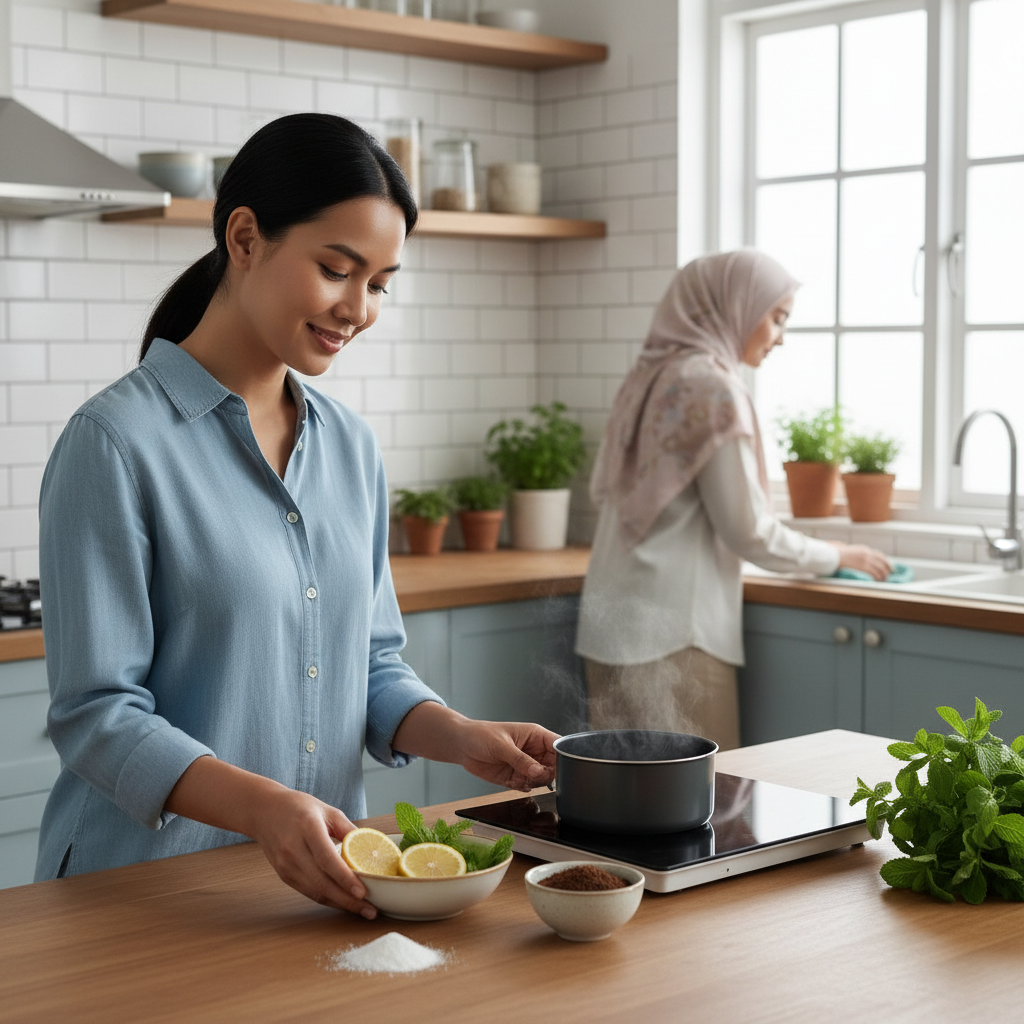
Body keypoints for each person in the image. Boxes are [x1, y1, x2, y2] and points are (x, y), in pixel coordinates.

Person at [35, 113, 556, 919]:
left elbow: (370, 663)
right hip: (140, 895)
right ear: (245, 238)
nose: (359, 308)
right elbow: (97, 717)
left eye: (379, 283)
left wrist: (459, 734)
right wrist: (264, 808)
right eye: (337, 269)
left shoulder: (350, 446)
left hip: (311, 896)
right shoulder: (113, 444)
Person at [575, 250, 891, 751]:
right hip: (677, 636)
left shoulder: (648, 376)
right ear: (733, 307)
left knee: (618, 805)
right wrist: (836, 556)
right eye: (776, 317)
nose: (780, 337)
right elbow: (748, 530)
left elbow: (603, 490)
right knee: (707, 807)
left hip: (609, 626)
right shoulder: (714, 389)